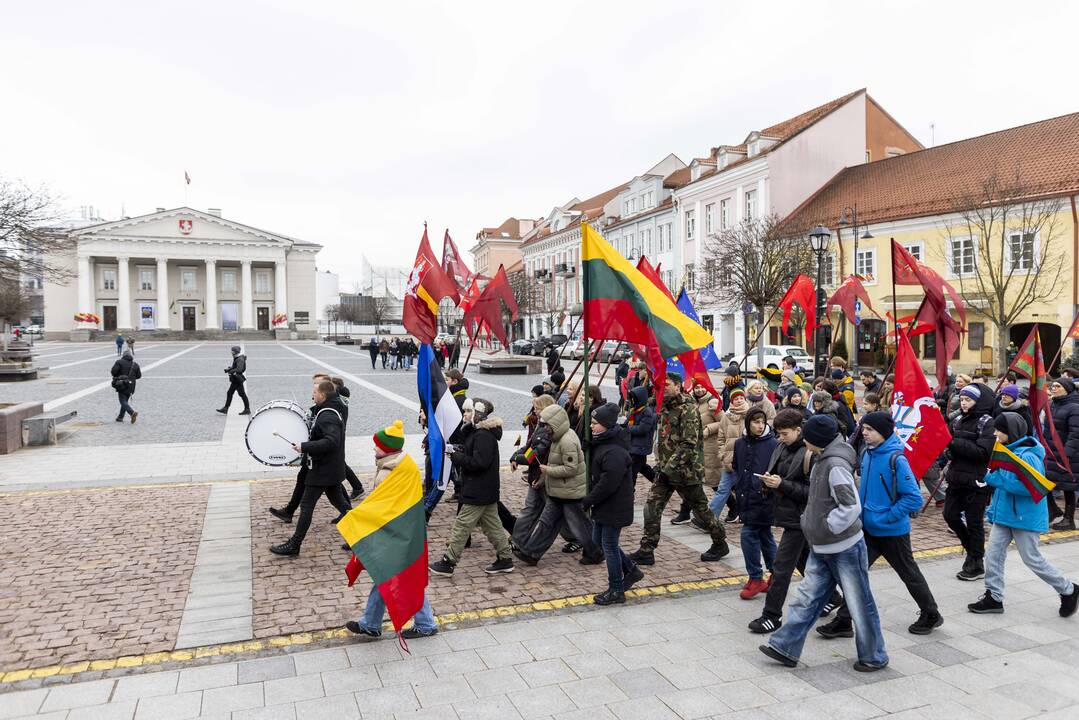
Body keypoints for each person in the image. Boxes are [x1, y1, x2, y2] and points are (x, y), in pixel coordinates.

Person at [759, 414, 889, 672]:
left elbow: (850, 506)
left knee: (859, 603)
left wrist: (827, 527)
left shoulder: (835, 465)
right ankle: (785, 646)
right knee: (806, 598)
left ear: (815, 439)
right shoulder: (824, 458)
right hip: (822, 544)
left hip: (844, 547)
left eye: (806, 435)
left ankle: (874, 656)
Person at [819, 412, 943, 638]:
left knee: (909, 573)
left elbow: (913, 497)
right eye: (863, 428)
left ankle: (931, 613)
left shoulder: (897, 458)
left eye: (869, 430)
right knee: (855, 575)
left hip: (892, 531)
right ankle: (844, 621)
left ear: (883, 433)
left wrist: (886, 517)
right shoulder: (868, 454)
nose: (864, 433)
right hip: (868, 529)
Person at [968, 412, 1079, 617]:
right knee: (993, 555)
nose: (995, 433)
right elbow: (1003, 489)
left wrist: (994, 480)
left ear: (1010, 431)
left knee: (1032, 559)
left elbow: (1032, 489)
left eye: (999, 430)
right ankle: (994, 597)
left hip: (1024, 517)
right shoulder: (1004, 450)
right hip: (1004, 515)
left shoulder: (1027, 455)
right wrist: (993, 510)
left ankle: (1068, 589)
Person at [749, 409, 842, 634]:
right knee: (804, 561)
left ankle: (772, 615)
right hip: (786, 514)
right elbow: (778, 474)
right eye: (778, 433)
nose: (779, 438)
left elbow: (814, 492)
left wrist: (781, 485)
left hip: (802, 518)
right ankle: (833, 596)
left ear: (799, 431)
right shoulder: (781, 447)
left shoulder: (811, 453)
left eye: (784, 434)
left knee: (781, 567)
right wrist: (767, 482)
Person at [344, 422, 439, 639]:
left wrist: (357, 520)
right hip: (405, 531)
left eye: (376, 446)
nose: (373, 449)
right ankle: (371, 623)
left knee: (401, 576)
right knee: (390, 576)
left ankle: (425, 624)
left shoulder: (390, 472)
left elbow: (381, 508)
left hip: (395, 534)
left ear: (387, 449)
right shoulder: (402, 465)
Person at [630, 372, 730, 565]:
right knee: (651, 508)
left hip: (686, 471)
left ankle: (720, 542)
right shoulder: (665, 406)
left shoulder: (688, 408)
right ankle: (646, 549)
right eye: (660, 386)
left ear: (678, 386)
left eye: (666, 385)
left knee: (701, 511)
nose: (662, 389)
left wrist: (668, 468)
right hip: (666, 470)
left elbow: (689, 444)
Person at [430, 399, 514, 575]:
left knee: (462, 525)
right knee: (493, 526)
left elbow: (479, 463)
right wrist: (459, 451)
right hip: (484, 489)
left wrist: (456, 457)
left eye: (468, 411)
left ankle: (448, 562)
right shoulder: (478, 433)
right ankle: (505, 559)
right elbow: (475, 455)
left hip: (478, 489)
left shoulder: (483, 435)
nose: (464, 414)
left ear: (477, 415)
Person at [270, 379, 352, 556]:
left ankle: (294, 544)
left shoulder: (328, 415)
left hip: (323, 469)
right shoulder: (326, 410)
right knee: (343, 506)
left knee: (306, 506)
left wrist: (304, 446)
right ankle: (362, 536)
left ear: (322, 395)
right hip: (329, 468)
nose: (312, 395)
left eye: (314, 392)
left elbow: (331, 441)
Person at [514, 402, 603, 565]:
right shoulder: (557, 437)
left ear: (554, 423)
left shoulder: (567, 441)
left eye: (546, 425)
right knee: (546, 523)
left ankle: (596, 552)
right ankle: (531, 553)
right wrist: (543, 478)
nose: (544, 428)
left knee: (580, 526)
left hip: (569, 492)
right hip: (558, 490)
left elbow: (570, 469)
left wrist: (547, 471)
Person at [583, 402, 645, 606]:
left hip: (614, 506)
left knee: (608, 545)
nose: (591, 426)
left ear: (607, 425)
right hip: (605, 505)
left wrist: (589, 500)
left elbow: (609, 483)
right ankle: (632, 570)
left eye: (595, 423)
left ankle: (616, 589)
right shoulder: (604, 442)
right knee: (599, 540)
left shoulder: (615, 451)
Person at [944, 383, 996, 580]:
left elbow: (982, 453)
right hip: (956, 477)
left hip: (977, 481)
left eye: (969, 400)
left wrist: (953, 443)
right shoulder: (957, 420)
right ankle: (972, 550)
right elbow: (950, 446)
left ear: (979, 401)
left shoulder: (987, 422)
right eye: (963, 399)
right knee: (950, 515)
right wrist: (949, 448)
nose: (964, 403)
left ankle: (976, 562)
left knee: (974, 523)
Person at [732, 408, 779, 600]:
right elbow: (736, 466)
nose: (760, 426)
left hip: (764, 498)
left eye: (763, 422)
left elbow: (779, 469)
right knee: (765, 535)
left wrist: (766, 486)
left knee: (748, 534)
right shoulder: (740, 443)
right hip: (745, 496)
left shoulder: (773, 444)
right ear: (748, 423)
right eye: (756, 422)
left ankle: (756, 577)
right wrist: (738, 485)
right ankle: (777, 574)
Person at [672, 383, 722, 525]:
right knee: (691, 481)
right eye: (696, 388)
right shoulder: (691, 402)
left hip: (709, 448)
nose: (699, 390)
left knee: (713, 482)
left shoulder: (712, 403)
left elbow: (723, 422)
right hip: (694, 448)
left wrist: (708, 429)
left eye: (702, 387)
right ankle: (685, 512)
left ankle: (734, 505)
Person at [712, 387, 750, 523]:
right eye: (736, 399)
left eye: (741, 398)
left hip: (746, 461)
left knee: (745, 490)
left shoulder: (751, 415)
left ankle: (747, 516)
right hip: (729, 460)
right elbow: (721, 437)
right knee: (722, 489)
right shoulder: (726, 417)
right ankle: (709, 518)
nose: (739, 400)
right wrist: (722, 453)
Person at [1046, 377, 1079, 531]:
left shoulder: (1074, 407)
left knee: (1068, 486)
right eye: (1052, 386)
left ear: (1067, 389)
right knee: (1046, 482)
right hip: (1052, 453)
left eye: (1057, 386)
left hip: (1068, 456)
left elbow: (1076, 434)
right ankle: (1053, 511)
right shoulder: (1053, 404)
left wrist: (1066, 454)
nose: (1053, 388)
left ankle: (1069, 519)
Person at [329, 377, 366, 500]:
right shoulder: (342, 398)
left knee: (339, 463)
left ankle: (357, 488)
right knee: (339, 463)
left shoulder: (339, 400)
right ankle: (357, 487)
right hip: (339, 433)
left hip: (338, 434)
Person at [626, 385, 657, 485]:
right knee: (643, 467)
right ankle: (658, 482)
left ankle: (630, 492)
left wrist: (628, 428)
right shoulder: (635, 410)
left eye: (634, 399)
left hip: (640, 447)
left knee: (632, 472)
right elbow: (628, 422)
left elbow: (642, 429)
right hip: (634, 446)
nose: (632, 401)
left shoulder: (647, 412)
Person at [216, 346, 251, 415]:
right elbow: (236, 367)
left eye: (232, 351)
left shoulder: (240, 359)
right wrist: (229, 369)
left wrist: (231, 371)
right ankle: (226, 408)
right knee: (230, 393)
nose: (231, 352)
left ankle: (247, 409)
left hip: (237, 379)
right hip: (235, 379)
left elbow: (239, 369)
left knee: (241, 394)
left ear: (235, 352)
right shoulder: (237, 358)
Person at [110, 350, 141, 424]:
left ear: (123, 355)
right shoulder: (135, 364)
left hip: (122, 384)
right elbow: (139, 376)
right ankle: (120, 417)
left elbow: (113, 372)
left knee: (122, 401)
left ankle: (132, 412)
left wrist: (119, 376)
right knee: (125, 401)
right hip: (131, 386)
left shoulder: (119, 362)